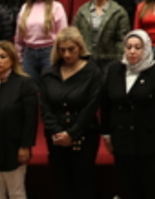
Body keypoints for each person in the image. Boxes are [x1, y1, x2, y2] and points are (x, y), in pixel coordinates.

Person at [101, 30, 155, 199]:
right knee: (127, 188)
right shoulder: (114, 70)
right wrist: (106, 133)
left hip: (151, 142)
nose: (132, 51)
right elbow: (106, 104)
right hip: (122, 140)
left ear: (146, 49)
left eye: (137, 47)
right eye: (128, 47)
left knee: (152, 189)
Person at [39, 27, 103, 199]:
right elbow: (45, 107)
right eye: (62, 50)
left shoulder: (93, 72)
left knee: (83, 183)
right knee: (60, 183)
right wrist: (56, 131)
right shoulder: (48, 74)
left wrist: (72, 133)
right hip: (56, 137)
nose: (67, 54)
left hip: (83, 136)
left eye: (71, 49)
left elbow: (91, 107)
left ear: (80, 48)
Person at [0, 41, 38, 199]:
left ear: (12, 59)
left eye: (2, 57)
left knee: (16, 192)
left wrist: (25, 146)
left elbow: (30, 118)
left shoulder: (24, 83)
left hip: (12, 147)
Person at [14, 0, 68, 84]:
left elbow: (63, 35)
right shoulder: (25, 7)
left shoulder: (56, 7)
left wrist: (60, 56)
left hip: (49, 52)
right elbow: (19, 37)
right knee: (30, 88)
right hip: (28, 53)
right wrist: (19, 57)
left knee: (49, 86)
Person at [72, 0, 131, 71]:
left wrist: (118, 62)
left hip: (109, 59)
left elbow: (121, 40)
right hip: (86, 58)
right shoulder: (82, 11)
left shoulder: (119, 12)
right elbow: (75, 34)